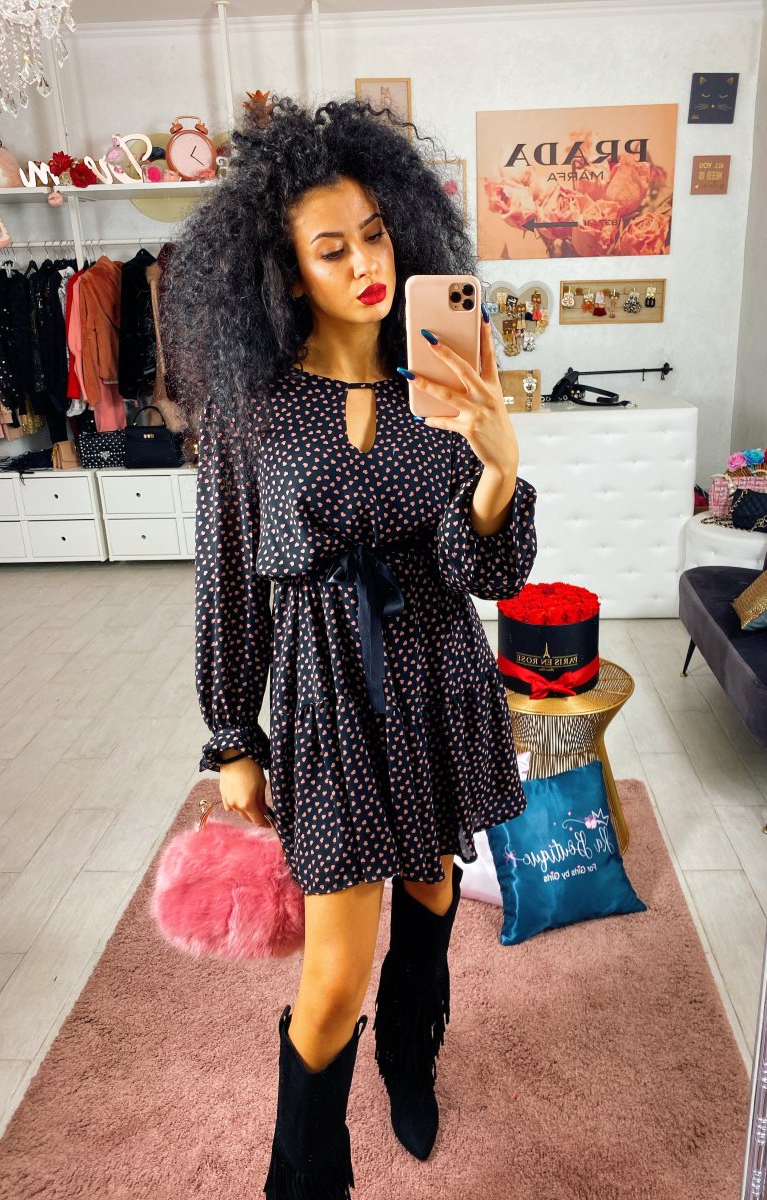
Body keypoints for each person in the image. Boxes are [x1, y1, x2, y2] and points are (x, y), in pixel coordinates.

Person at [160, 94, 538, 1197]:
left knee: (431, 897)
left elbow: (484, 573)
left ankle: (410, 1058)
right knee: (329, 980)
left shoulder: (445, 387)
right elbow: (229, 580)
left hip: (437, 675)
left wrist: (500, 468)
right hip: (326, 696)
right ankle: (304, 1180)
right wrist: (232, 736)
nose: (368, 264)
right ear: (287, 274)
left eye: (376, 234)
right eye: (333, 249)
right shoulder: (253, 412)